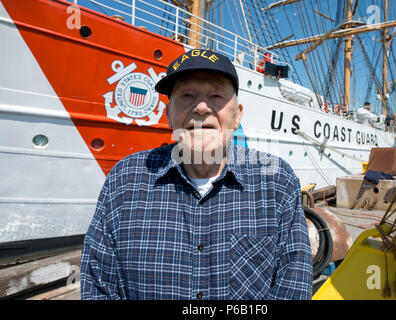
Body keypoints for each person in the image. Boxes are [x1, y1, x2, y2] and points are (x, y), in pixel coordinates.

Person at [80, 49, 313, 300]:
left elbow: (293, 287)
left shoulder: (277, 181)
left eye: (216, 95)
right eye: (187, 95)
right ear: (168, 114)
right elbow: (98, 287)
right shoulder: (124, 181)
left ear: (237, 115)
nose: (201, 107)